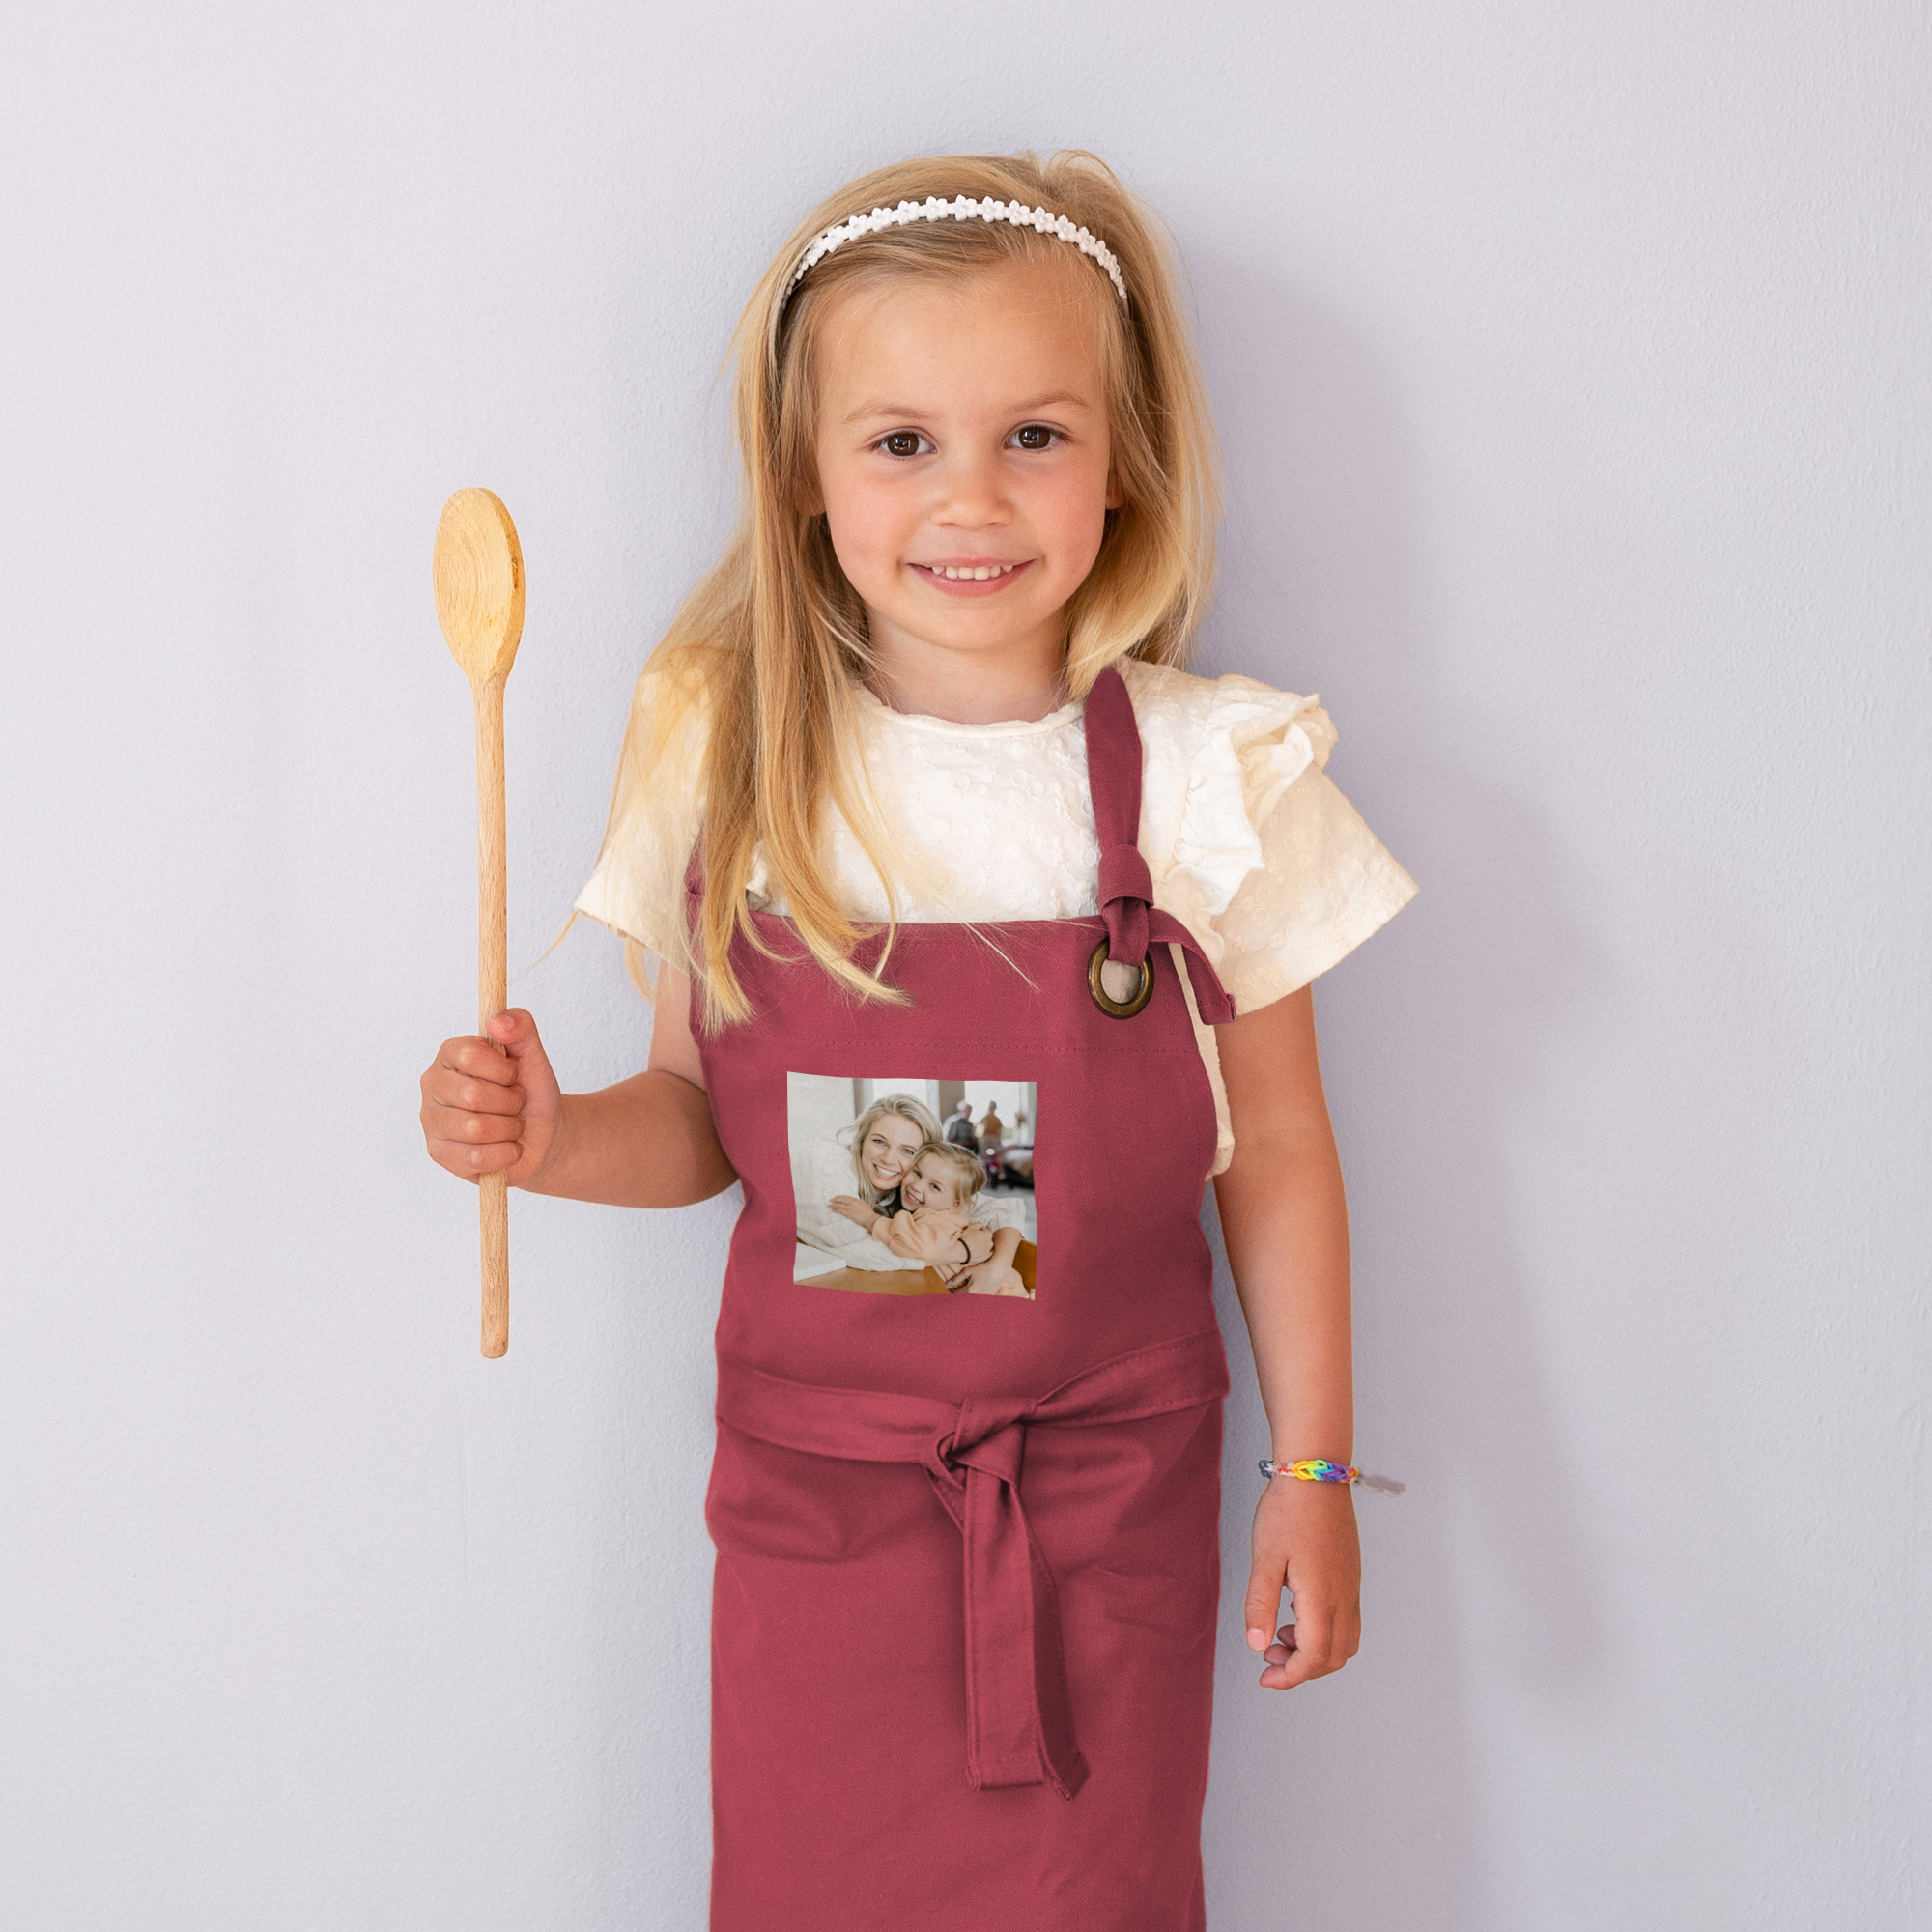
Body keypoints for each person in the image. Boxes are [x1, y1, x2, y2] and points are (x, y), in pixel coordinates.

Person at [418, 149, 1414, 1928]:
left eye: (1034, 433)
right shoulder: (729, 753)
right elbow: (690, 1119)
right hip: (820, 1530)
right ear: (807, 475)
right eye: (901, 442)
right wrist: (553, 1141)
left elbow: (1275, 1154)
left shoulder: (1215, 779)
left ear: (1125, 467)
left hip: (1100, 1523)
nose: (972, 496)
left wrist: (1315, 1472)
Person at [830, 1141, 1028, 1295]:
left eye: (934, 1187)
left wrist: (869, 1218)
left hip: (1000, 1296)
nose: (917, 1186)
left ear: (956, 1204)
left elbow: (914, 1245)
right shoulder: (935, 1210)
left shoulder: (937, 1219)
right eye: (916, 1173)